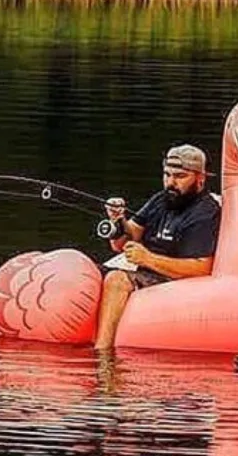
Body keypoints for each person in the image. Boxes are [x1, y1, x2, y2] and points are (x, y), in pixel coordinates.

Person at [94, 144, 221, 350]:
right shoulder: (161, 200)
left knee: (116, 279)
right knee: (90, 272)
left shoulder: (206, 212)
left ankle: (102, 355)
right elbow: (122, 243)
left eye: (180, 176)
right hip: (140, 267)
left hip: (169, 280)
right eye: (167, 175)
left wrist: (147, 259)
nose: (171, 182)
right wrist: (119, 221)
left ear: (200, 179)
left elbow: (202, 268)